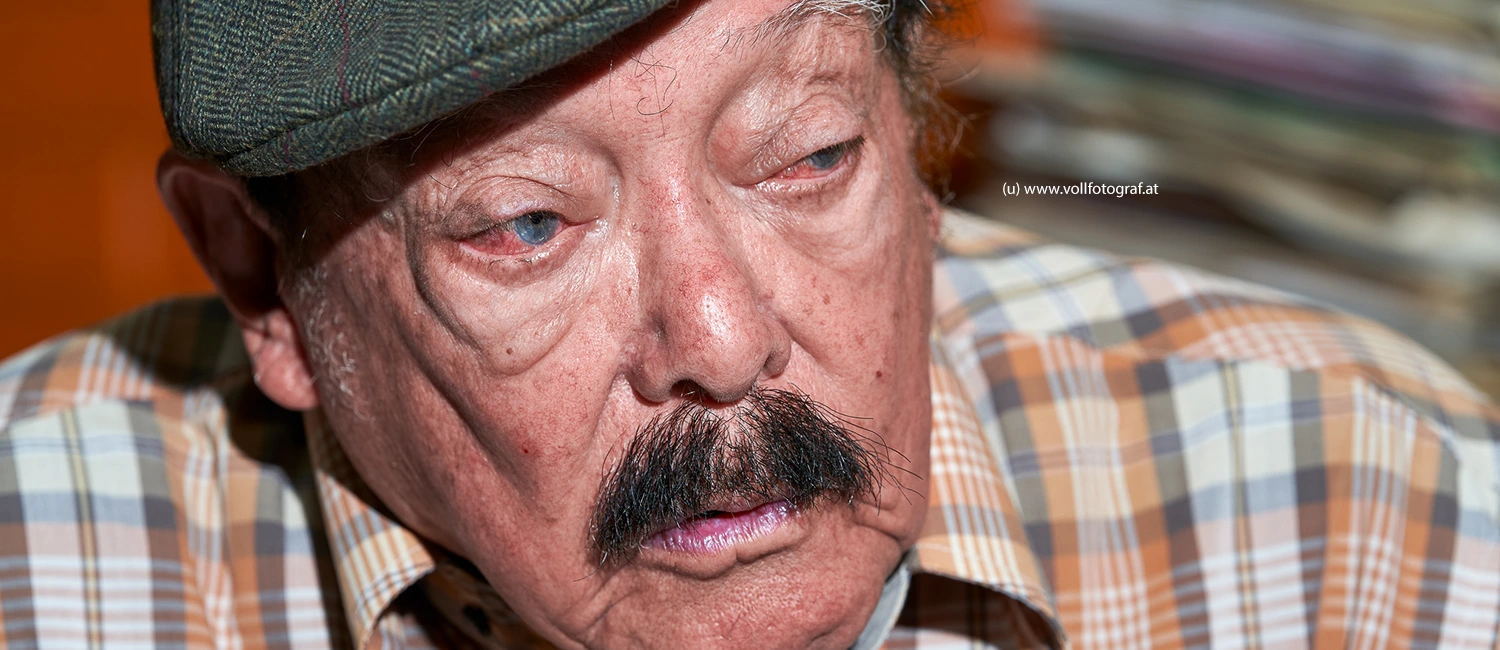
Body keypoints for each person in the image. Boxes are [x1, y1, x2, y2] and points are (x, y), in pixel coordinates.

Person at [1, 0, 1497, 647]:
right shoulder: (41, 565)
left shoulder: (1370, 523)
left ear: (922, 146)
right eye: (529, 224)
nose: (718, 336)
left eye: (807, 157)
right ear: (266, 284)